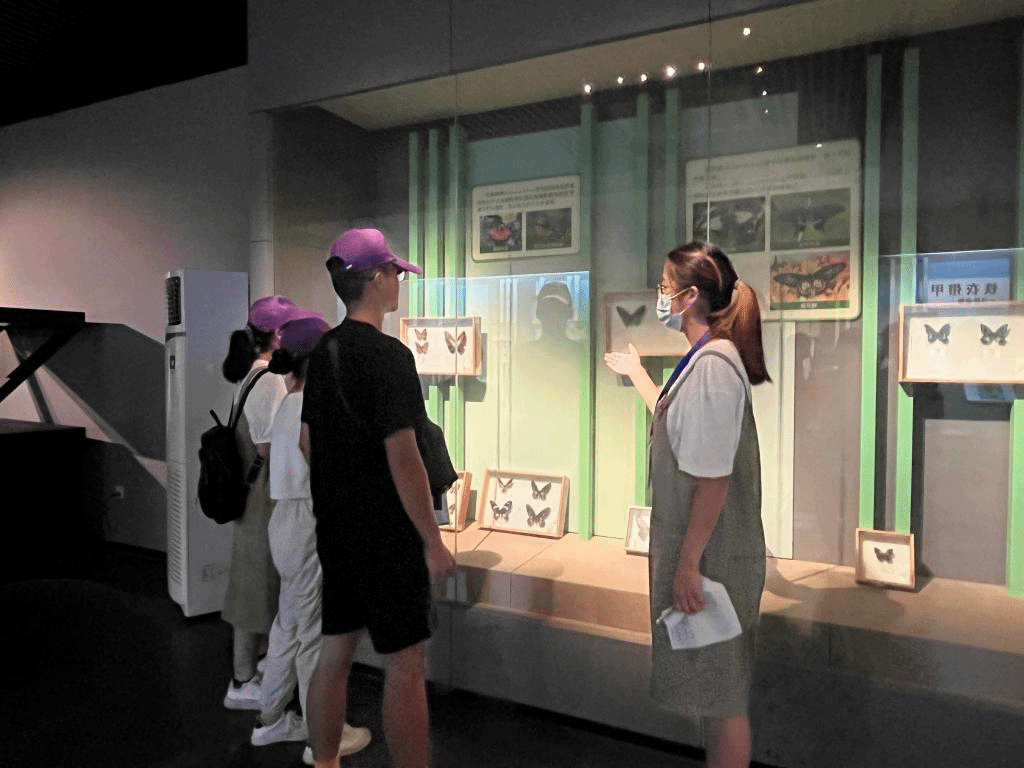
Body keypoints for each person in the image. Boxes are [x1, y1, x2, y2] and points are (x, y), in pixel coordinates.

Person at [604, 241, 770, 768]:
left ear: (690, 296)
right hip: (707, 554)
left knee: (722, 697)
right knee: (712, 691)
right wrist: (637, 373)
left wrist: (688, 563)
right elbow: (674, 416)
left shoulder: (715, 365)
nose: (660, 296)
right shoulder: (703, 360)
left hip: (713, 558)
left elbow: (713, 479)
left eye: (664, 286)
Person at [301, 228, 456, 768]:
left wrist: (340, 491)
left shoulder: (324, 351)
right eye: (394, 273)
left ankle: (325, 763)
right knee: (405, 667)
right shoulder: (390, 356)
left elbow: (306, 440)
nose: (398, 282)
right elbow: (403, 454)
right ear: (376, 278)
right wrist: (431, 540)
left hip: (337, 531)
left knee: (334, 654)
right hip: (388, 538)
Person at [249, 312, 372, 764]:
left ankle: (270, 719)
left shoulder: (287, 402)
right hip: (307, 522)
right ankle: (322, 736)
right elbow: (325, 470)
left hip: (284, 519)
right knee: (313, 635)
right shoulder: (312, 407)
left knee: (288, 625)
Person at [220, 295, 302, 710]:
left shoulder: (250, 375)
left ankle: (258, 672)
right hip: (261, 496)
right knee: (254, 588)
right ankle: (242, 681)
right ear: (279, 334)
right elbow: (269, 446)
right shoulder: (269, 379)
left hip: (252, 494)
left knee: (257, 584)